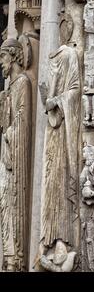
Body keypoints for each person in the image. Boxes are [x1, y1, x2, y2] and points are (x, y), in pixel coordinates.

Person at [40, 12, 80, 271]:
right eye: (61, 25)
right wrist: (49, 102)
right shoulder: (55, 56)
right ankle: (49, 240)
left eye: (67, 25)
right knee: (51, 180)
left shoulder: (71, 55)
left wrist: (57, 101)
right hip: (53, 130)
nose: (63, 30)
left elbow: (74, 89)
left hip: (65, 125)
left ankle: (63, 240)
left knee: (62, 179)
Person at [0, 38, 31, 271]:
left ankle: (17, 257)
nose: (1, 62)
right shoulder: (9, 88)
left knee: (11, 201)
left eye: (3, 56)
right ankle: (9, 256)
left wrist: (10, 131)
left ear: (13, 56)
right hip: (6, 153)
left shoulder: (22, 83)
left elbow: (23, 119)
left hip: (16, 155)